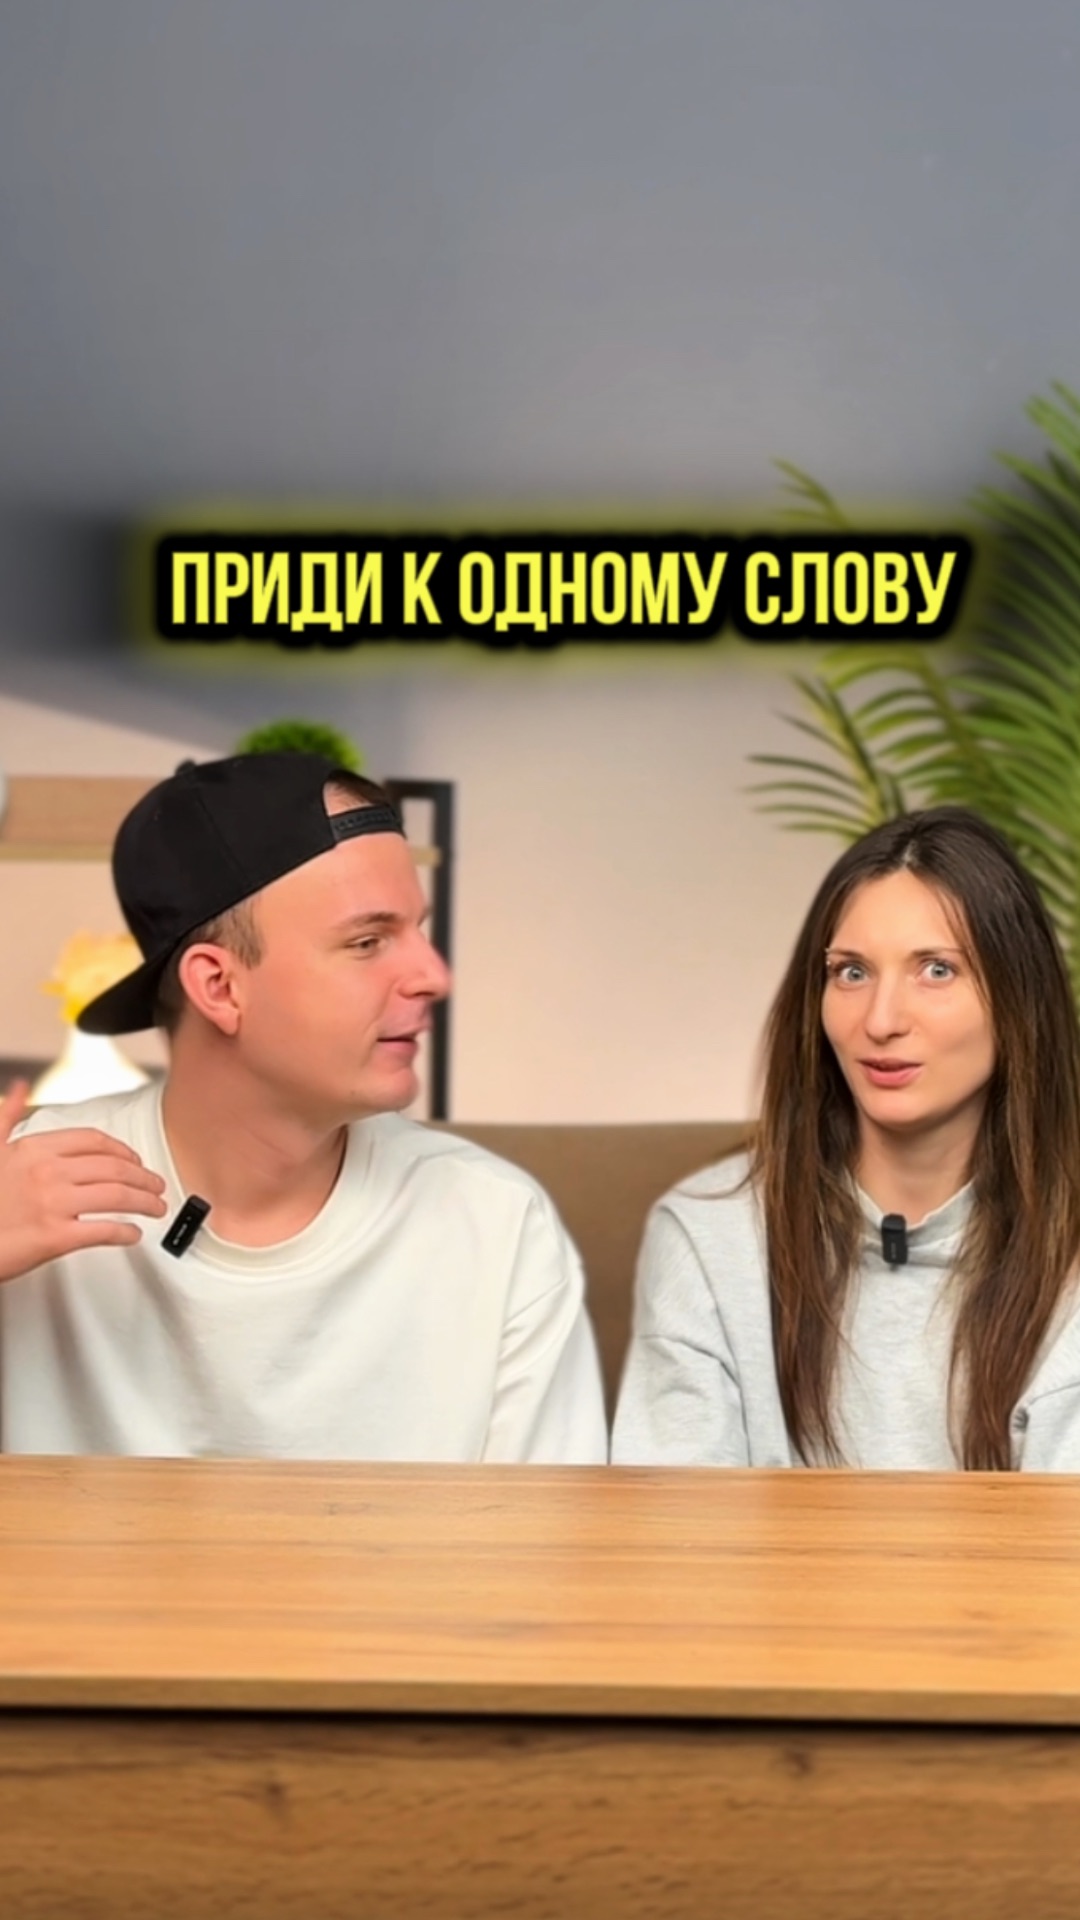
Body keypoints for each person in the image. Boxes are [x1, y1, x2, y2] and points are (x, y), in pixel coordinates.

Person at [0, 751, 606, 1462]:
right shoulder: (27, 1194)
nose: (432, 975)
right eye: (367, 941)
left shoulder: (495, 1225)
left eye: (418, 931)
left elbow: (547, 1530)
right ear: (220, 988)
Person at [613, 806, 1080, 1471]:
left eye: (936, 970)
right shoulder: (709, 1237)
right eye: (852, 973)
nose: (881, 1021)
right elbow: (673, 1524)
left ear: (1018, 1000)